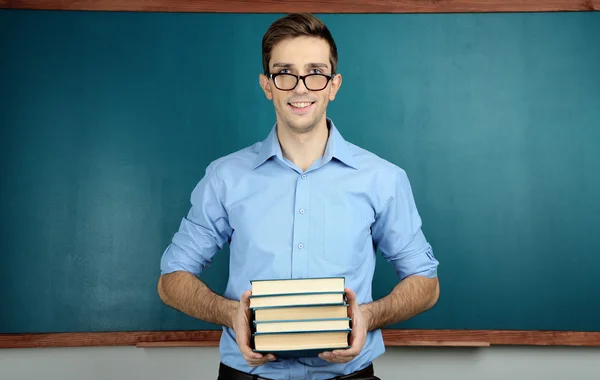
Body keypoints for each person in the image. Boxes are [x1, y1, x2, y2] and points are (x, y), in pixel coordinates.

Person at [157, 13, 439, 380]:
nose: (300, 87)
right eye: (285, 72)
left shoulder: (383, 179)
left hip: (349, 375)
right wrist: (230, 314)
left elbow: (425, 283)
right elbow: (171, 278)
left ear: (333, 85)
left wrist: (369, 315)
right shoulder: (225, 177)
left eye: (315, 72)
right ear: (267, 85)